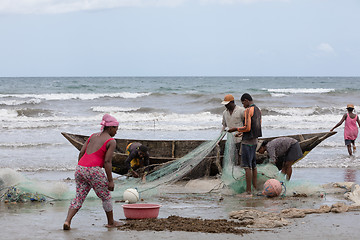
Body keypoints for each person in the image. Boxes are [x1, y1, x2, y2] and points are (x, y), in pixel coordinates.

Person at [63, 114, 122, 230]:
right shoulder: (111, 141)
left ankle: (67, 221)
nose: (116, 132)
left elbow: (81, 153)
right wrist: (110, 180)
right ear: (110, 128)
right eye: (116, 129)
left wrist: (81, 167)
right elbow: (107, 161)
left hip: (80, 168)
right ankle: (111, 222)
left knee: (79, 197)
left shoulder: (92, 136)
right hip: (94, 170)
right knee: (106, 197)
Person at [228, 93, 262, 196]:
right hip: (255, 141)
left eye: (243, 103)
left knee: (247, 167)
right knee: (253, 166)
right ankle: (255, 188)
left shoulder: (248, 110)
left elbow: (247, 127)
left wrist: (235, 129)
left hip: (247, 142)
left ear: (246, 100)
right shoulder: (258, 110)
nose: (243, 105)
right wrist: (242, 133)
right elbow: (256, 126)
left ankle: (248, 191)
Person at [221, 94, 245, 165]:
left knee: (240, 156)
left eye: (227, 104)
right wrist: (220, 138)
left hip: (240, 139)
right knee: (232, 158)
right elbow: (224, 126)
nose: (225, 106)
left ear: (232, 102)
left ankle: (240, 170)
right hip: (230, 140)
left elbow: (247, 125)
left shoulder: (241, 110)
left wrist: (243, 133)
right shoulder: (225, 113)